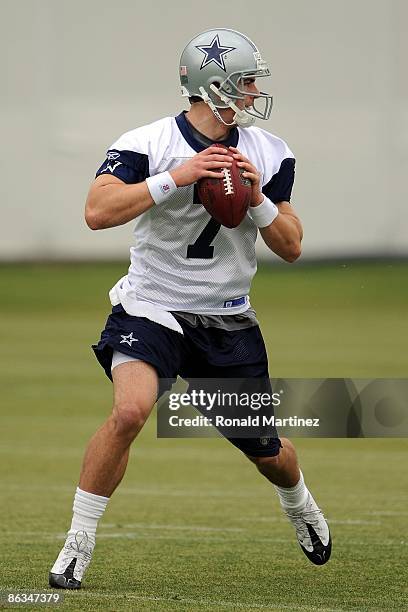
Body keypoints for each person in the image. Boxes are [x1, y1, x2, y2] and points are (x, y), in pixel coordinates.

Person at [49, 27, 331, 590]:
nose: (254, 92)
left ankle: (298, 503)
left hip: (226, 316)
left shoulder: (270, 150)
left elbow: (293, 246)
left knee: (268, 451)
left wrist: (256, 202)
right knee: (130, 412)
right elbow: (97, 212)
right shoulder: (148, 142)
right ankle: (77, 541)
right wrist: (172, 179)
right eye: (246, 81)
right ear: (214, 84)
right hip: (151, 305)